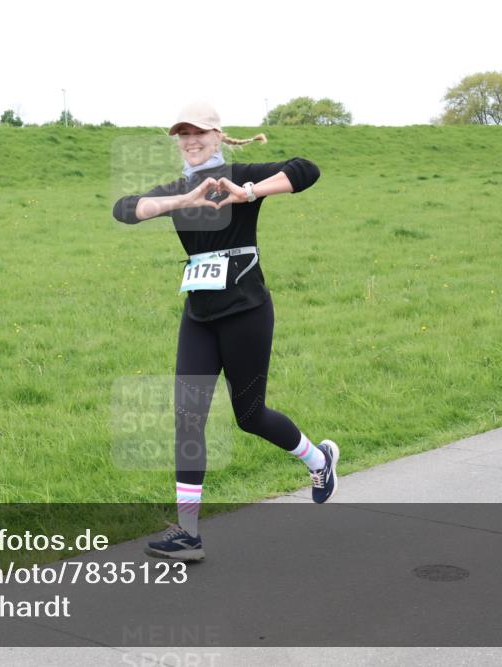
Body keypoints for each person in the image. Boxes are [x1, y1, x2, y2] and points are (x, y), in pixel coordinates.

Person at [112, 101, 339, 562]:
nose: (191, 141)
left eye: (199, 133)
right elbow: (123, 209)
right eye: (183, 135)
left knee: (249, 415)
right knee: (187, 418)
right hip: (199, 315)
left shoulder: (241, 172)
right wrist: (183, 200)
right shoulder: (177, 188)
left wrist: (248, 192)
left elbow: (306, 169)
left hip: (247, 310)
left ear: (218, 135)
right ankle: (189, 533)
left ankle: (319, 460)